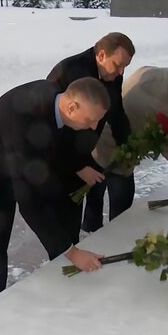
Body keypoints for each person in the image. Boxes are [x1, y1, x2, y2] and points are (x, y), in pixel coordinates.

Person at [0, 77, 109, 319]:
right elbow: (31, 201)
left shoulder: (53, 99)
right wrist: (71, 252)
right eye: (90, 120)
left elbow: (56, 150)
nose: (92, 126)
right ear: (71, 107)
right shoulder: (25, 124)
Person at [83, 61, 168, 232]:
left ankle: (91, 232)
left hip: (99, 141)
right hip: (117, 153)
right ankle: (112, 239)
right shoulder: (161, 108)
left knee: (94, 196)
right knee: (121, 213)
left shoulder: (153, 73)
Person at [46, 32, 135, 229]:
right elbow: (51, 126)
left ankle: (81, 240)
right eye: (118, 64)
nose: (121, 72)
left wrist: (127, 144)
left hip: (84, 152)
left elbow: (116, 112)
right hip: (60, 158)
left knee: (77, 214)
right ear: (101, 55)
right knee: (63, 219)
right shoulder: (69, 71)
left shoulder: (112, 75)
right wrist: (78, 166)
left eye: (125, 67)